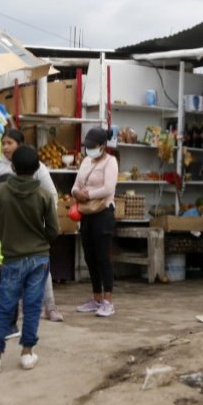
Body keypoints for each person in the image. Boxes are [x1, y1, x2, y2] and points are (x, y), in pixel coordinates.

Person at [0, 145, 59, 373]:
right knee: (33, 306)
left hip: (12, 257)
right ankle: (27, 352)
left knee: (6, 306)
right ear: (37, 168)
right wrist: (41, 241)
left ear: (14, 167)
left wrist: (10, 240)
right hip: (38, 258)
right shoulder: (45, 196)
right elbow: (54, 230)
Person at [0, 128, 63, 322]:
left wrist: (43, 224)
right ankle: (13, 313)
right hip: (9, 232)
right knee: (10, 274)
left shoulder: (36, 167)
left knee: (41, 269)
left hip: (33, 230)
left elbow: (51, 195)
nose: (5, 147)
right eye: (3, 142)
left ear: (20, 145)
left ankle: (50, 306)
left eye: (10, 143)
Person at [72, 127, 118, 317]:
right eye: (87, 146)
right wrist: (76, 193)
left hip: (103, 212)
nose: (89, 149)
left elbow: (108, 188)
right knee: (89, 257)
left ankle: (108, 301)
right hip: (87, 213)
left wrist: (88, 194)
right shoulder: (85, 161)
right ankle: (96, 297)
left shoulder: (111, 162)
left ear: (102, 145)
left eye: (92, 146)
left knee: (102, 257)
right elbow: (76, 184)